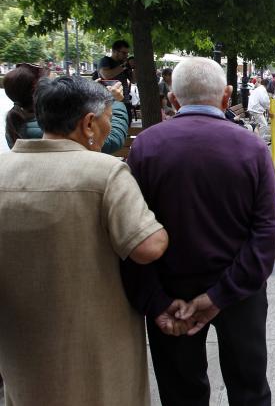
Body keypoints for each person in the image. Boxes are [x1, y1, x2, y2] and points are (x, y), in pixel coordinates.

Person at [0, 75, 168, 406]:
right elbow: (147, 247)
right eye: (108, 119)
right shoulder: (104, 173)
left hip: (21, 343)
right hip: (96, 342)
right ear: (88, 123)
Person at [122, 57, 275, 406]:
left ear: (173, 100)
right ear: (226, 97)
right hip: (240, 291)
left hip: (171, 290)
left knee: (181, 391)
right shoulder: (252, 147)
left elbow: (129, 233)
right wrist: (222, 294)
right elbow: (266, 232)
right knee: (249, 387)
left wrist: (156, 300)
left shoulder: (147, 146)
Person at [4, 64, 129, 154]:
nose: (57, 86)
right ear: (38, 92)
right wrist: (111, 101)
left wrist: (95, 94)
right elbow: (112, 140)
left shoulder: (16, 121)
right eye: (53, 83)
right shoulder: (50, 129)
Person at [99, 39, 136, 121]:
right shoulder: (105, 60)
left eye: (127, 53)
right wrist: (125, 65)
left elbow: (133, 80)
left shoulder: (124, 64)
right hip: (109, 103)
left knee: (126, 130)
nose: (126, 56)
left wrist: (134, 67)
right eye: (124, 53)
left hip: (125, 102)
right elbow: (106, 75)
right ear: (115, 51)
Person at [248, 77, 271, 143]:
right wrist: (269, 108)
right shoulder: (262, 90)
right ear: (267, 85)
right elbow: (264, 101)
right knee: (264, 124)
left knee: (259, 124)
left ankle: (258, 138)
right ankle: (261, 140)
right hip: (256, 109)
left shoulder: (259, 89)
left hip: (253, 108)